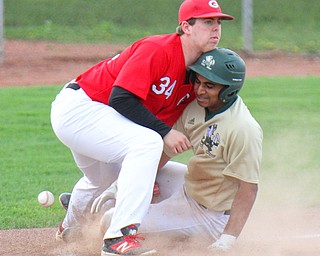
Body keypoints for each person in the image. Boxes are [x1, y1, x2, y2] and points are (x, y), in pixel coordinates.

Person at [50, 0, 234, 255]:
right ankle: (118, 238)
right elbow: (121, 98)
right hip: (81, 107)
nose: (216, 28)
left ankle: (69, 227)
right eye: (207, 21)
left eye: (218, 22)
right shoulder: (158, 49)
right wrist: (166, 133)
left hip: (103, 117)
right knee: (148, 142)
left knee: (103, 178)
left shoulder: (197, 71)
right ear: (186, 27)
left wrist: (147, 175)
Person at [99, 47, 263, 253]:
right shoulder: (197, 106)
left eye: (209, 85)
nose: (199, 90)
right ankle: (90, 205)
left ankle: (176, 233)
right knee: (135, 169)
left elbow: (248, 188)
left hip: (210, 216)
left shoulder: (243, 129)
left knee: (111, 221)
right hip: (191, 187)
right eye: (198, 81)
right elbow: (165, 151)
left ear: (229, 89)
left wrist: (227, 240)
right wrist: (122, 185)